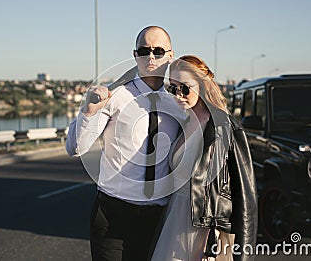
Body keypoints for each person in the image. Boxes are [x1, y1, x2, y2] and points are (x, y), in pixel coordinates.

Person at [65, 26, 185, 261]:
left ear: (171, 55)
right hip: (114, 213)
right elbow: (75, 148)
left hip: (159, 215)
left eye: (158, 51)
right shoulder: (113, 95)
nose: (151, 57)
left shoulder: (179, 101)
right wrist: (88, 112)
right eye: (144, 50)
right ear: (135, 55)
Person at [151, 55, 258, 261]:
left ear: (202, 84)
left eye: (185, 87)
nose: (178, 95)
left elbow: (246, 197)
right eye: (173, 88)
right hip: (174, 221)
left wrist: (244, 254)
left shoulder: (224, 127)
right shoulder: (184, 121)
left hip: (205, 231)